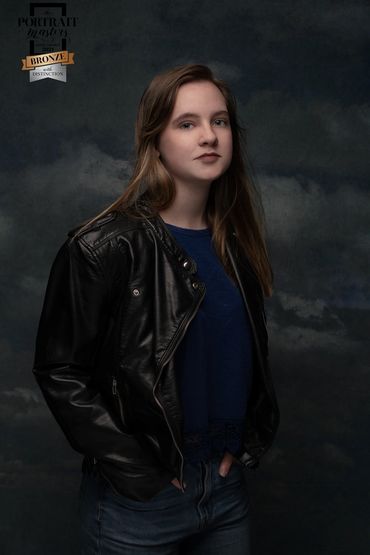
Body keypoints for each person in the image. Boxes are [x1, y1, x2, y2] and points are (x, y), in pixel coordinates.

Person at [32, 63, 280, 554]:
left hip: (225, 493)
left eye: (220, 121)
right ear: (155, 140)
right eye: (186, 123)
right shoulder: (104, 246)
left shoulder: (236, 246)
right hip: (139, 504)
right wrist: (137, 470)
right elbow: (60, 370)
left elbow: (247, 358)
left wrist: (246, 438)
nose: (209, 136)